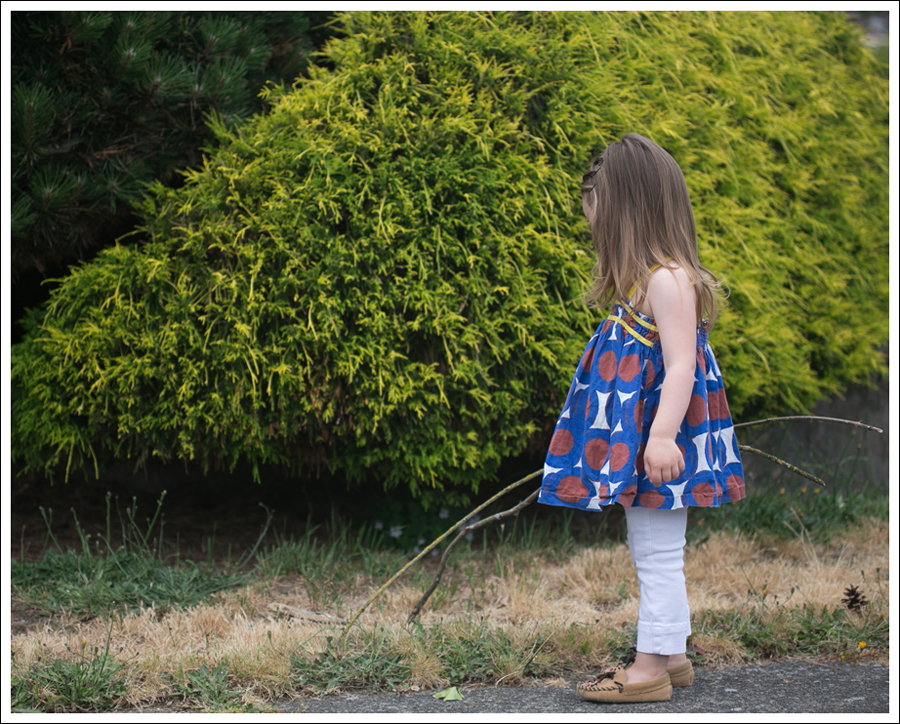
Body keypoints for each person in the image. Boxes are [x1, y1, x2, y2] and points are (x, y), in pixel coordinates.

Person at [537, 133, 746, 703]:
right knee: (652, 549)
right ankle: (672, 654)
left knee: (655, 553)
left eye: (601, 219)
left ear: (631, 212)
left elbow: (681, 366)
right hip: (646, 446)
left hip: (661, 447)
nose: (595, 231)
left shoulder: (667, 280)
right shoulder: (643, 282)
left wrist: (658, 437)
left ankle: (649, 668)